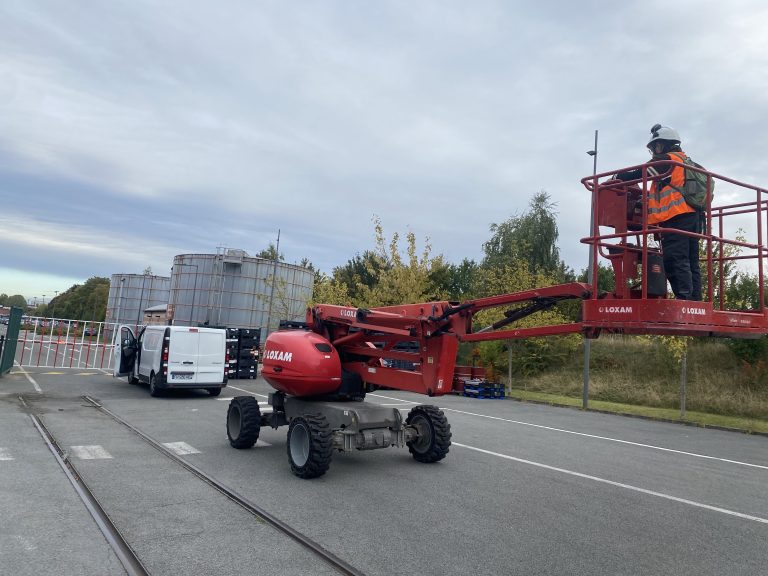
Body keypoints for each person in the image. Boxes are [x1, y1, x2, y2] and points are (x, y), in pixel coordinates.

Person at [616, 124, 701, 301]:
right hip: (694, 217)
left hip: (676, 217)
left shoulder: (667, 161)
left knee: (674, 259)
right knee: (691, 261)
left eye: (656, 146)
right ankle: (695, 302)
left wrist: (617, 178)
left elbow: (640, 172)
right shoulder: (688, 161)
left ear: (666, 144)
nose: (655, 151)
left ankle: (684, 301)